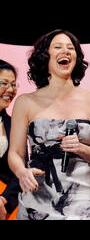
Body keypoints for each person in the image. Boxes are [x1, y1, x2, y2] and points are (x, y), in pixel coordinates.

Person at [8, 29, 90, 220]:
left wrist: (81, 149)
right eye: (58, 47)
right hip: (36, 193)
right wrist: (22, 172)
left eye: (71, 48)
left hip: (80, 196)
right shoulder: (25, 102)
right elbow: (15, 153)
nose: (66, 51)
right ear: (46, 56)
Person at [0, 60, 20, 220]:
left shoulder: (14, 125)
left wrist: (4, 199)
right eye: (4, 83)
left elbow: (21, 169)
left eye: (13, 85)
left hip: (6, 206)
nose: (11, 90)